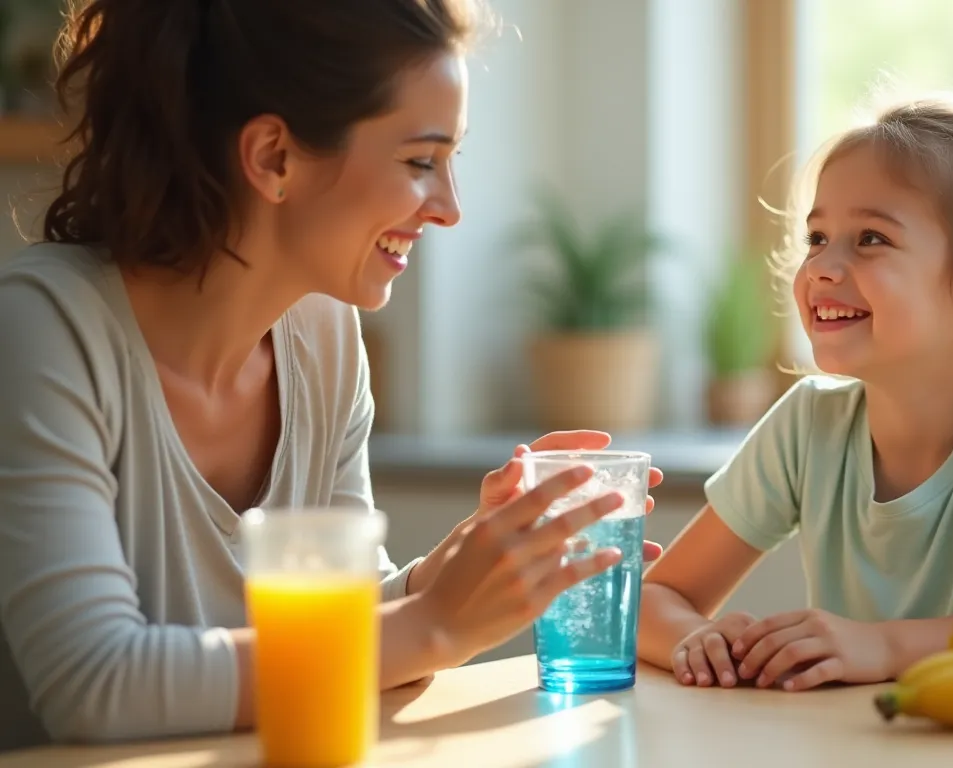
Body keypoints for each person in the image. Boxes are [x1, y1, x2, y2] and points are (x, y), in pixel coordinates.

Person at [0, 0, 664, 751]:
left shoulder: (324, 338)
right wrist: (433, 623)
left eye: (452, 162)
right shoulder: (45, 329)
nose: (449, 209)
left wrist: (441, 580)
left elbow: (343, 626)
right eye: (420, 162)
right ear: (274, 158)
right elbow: (94, 684)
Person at [637, 92, 953, 692]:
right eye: (817, 237)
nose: (821, 266)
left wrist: (879, 646)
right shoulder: (808, 423)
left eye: (871, 238)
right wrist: (697, 640)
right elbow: (658, 595)